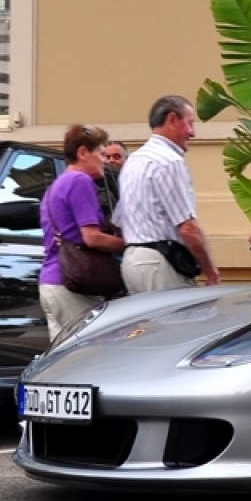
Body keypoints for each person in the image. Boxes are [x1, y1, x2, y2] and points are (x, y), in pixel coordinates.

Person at [114, 95, 221, 292]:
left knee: (146, 323)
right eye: (190, 124)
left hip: (132, 263)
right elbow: (188, 228)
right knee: (177, 322)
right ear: (172, 119)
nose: (193, 133)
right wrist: (210, 269)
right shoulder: (169, 161)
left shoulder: (133, 161)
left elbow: (120, 222)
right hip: (161, 264)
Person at [39, 124, 125, 339]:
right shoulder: (80, 181)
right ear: (83, 152)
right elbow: (92, 237)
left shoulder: (55, 186)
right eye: (101, 154)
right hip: (74, 287)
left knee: (63, 361)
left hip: (51, 283)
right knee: (90, 354)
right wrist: (131, 244)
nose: (105, 161)